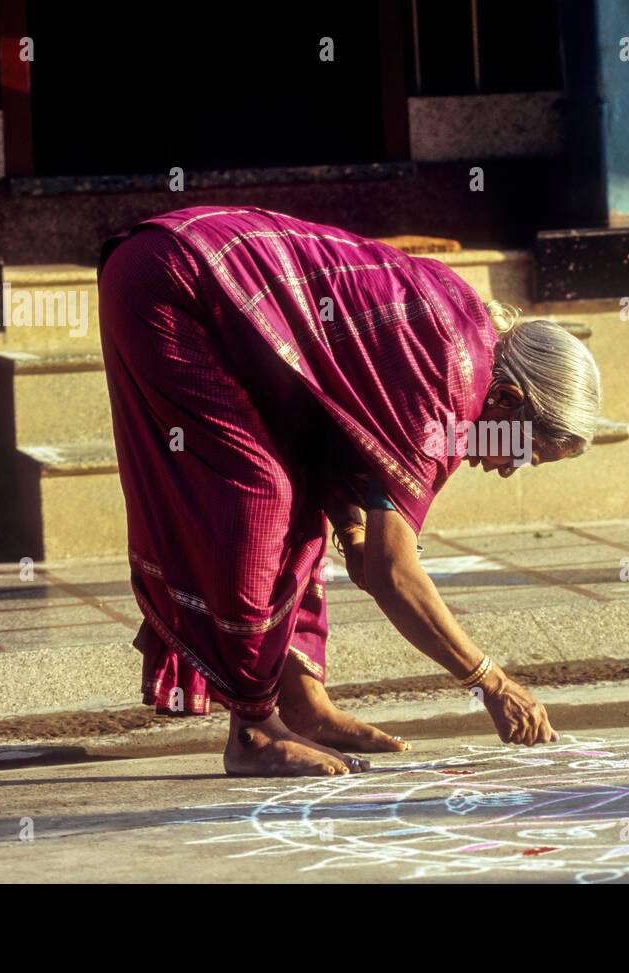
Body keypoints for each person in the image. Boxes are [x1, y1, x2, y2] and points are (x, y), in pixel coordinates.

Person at [97, 206, 602, 777]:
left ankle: (303, 706)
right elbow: (395, 574)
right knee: (262, 498)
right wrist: (492, 682)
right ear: (506, 400)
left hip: (177, 260)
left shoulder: (464, 337)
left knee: (300, 481)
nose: (509, 469)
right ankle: (253, 734)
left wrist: (354, 527)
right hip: (176, 282)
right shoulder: (452, 386)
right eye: (523, 450)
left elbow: (328, 431)